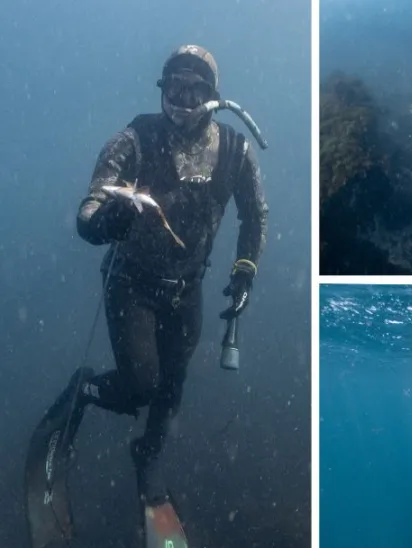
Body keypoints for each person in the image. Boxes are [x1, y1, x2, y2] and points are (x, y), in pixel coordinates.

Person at [25, 44, 268, 547]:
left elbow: (255, 214)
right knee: (141, 385)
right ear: (161, 88)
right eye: (173, 86)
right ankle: (83, 391)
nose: (182, 99)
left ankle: (148, 458)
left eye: (194, 89)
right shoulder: (133, 140)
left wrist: (245, 271)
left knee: (172, 390)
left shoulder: (236, 151)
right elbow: (88, 212)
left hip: (188, 288)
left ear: (213, 96)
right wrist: (108, 219)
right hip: (130, 285)